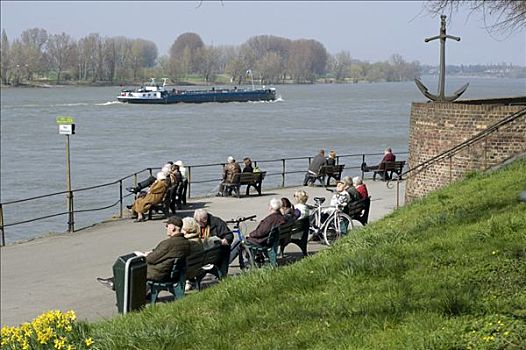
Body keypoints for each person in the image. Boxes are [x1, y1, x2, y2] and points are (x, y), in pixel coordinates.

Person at [97, 216, 191, 290]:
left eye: (167, 226)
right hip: (173, 272)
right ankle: (114, 281)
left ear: (172, 228)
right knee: (136, 263)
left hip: (160, 273)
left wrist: (144, 255)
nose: (166, 228)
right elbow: (166, 254)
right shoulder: (186, 243)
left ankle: (114, 283)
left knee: (133, 266)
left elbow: (151, 259)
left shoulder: (168, 243)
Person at [193, 209, 233, 275]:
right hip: (201, 252)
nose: (199, 224)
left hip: (214, 253)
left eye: (202, 222)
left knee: (225, 249)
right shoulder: (194, 224)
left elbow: (229, 235)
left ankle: (222, 275)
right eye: (197, 221)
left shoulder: (216, 222)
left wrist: (225, 240)